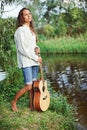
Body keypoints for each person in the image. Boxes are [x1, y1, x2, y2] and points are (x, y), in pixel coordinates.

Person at [11, 8, 42, 112]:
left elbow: (32, 46)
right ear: (21, 17)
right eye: (25, 14)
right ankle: (14, 102)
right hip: (26, 61)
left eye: (29, 14)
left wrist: (37, 48)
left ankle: (32, 105)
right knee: (28, 86)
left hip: (34, 61)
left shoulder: (31, 30)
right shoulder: (20, 31)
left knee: (33, 86)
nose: (29, 16)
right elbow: (22, 49)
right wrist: (36, 57)